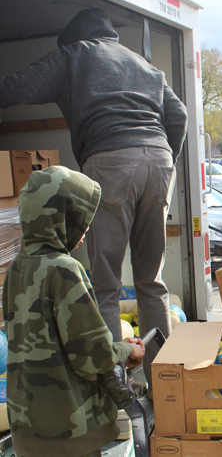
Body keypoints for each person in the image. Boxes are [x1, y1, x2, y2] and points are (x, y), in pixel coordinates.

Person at [0, 8, 188, 384]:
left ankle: (112, 386)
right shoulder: (144, 65)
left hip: (112, 161)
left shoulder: (74, 54)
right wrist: (164, 157)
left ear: (75, 38)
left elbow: (14, 88)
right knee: (152, 280)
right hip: (160, 162)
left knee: (106, 283)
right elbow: (179, 113)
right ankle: (163, 386)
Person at [2, 166, 145, 457]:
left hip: (27, 424)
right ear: (59, 218)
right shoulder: (65, 269)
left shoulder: (15, 267)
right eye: (80, 220)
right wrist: (126, 351)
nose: (86, 229)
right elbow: (92, 357)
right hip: (69, 428)